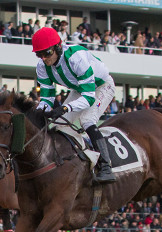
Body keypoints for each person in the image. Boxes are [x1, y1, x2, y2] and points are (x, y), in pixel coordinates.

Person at [32, 27, 116, 183]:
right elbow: (46, 99)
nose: (43, 58)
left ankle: (106, 166)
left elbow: (89, 98)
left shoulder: (76, 58)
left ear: (57, 47)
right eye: (39, 54)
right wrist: (37, 113)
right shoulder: (42, 67)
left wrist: (65, 108)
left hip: (101, 86)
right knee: (58, 124)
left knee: (87, 120)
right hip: (79, 89)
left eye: (47, 53)